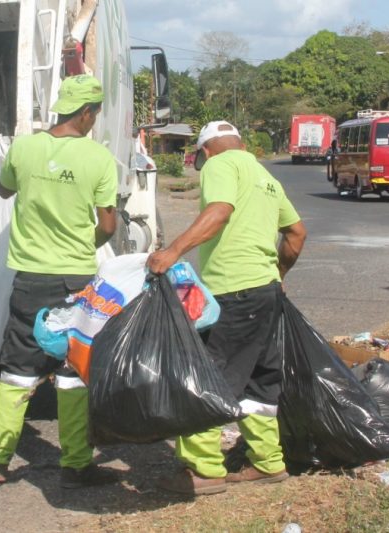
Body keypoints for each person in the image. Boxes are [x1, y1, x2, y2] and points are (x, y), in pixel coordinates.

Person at [0, 74, 119, 488]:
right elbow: (108, 223)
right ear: (87, 113)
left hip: (32, 279)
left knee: (19, 367)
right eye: (96, 114)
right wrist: (87, 241)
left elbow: (2, 190)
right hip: (77, 279)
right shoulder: (99, 159)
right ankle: (75, 463)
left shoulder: (25, 147)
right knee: (73, 369)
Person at [146, 120, 307, 496]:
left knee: (208, 377)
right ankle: (268, 463)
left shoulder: (219, 165)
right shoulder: (265, 176)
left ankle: (202, 470)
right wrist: (277, 271)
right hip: (266, 291)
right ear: (242, 142)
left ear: (204, 152)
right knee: (259, 381)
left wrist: (172, 252)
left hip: (233, 291)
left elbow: (220, 210)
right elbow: (297, 233)